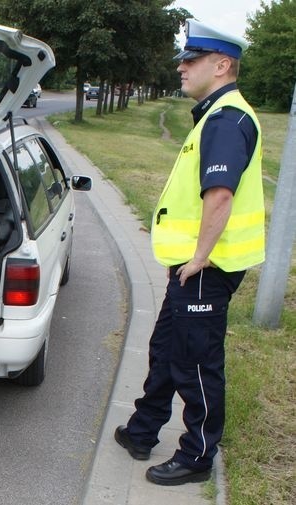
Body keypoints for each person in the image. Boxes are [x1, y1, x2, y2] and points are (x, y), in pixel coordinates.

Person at [114, 18, 265, 486]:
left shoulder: (227, 119)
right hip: (191, 266)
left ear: (222, 65)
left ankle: (198, 456)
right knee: (165, 351)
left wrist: (199, 258)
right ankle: (143, 430)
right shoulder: (215, 115)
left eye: (191, 60)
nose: (182, 68)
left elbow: (219, 196)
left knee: (196, 363)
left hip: (206, 267)